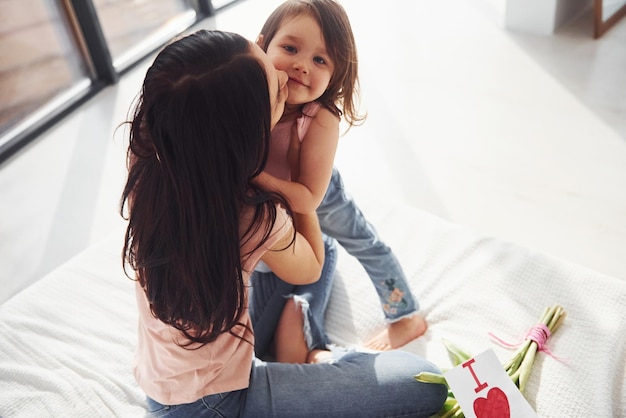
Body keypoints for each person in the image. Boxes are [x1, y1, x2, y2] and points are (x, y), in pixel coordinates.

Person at [120, 29, 446, 417]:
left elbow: (179, 83)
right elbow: (310, 267)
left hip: (164, 384)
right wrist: (296, 187)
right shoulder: (255, 215)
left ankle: (298, 318)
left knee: (318, 245)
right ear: (250, 135)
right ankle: (311, 346)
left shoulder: (144, 165)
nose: (284, 76)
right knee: (426, 382)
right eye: (274, 89)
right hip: (223, 402)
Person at [250, 0, 426, 363]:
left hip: (316, 195)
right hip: (264, 196)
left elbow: (308, 199)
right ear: (261, 46)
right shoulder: (249, 95)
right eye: (290, 48)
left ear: (336, 75)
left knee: (363, 240)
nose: (301, 65)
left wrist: (253, 178)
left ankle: (405, 314)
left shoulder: (321, 117)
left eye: (320, 60)